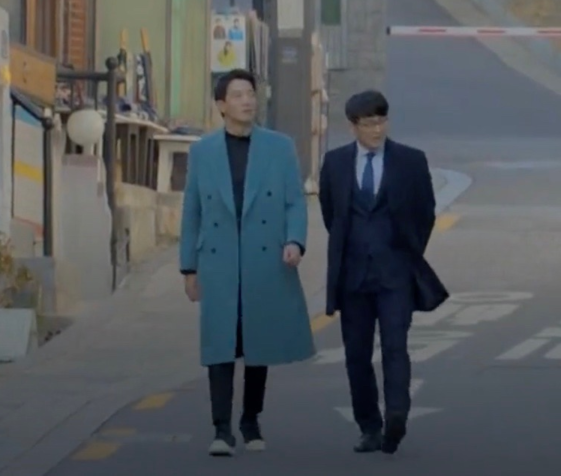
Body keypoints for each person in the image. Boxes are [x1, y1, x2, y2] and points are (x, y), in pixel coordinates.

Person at [179, 69, 316, 456]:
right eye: (238, 95)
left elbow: (295, 201)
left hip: (264, 257)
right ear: (221, 105)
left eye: (251, 94)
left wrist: (294, 241)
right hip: (218, 260)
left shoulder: (279, 147)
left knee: (259, 340)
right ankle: (221, 429)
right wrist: (188, 268)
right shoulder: (203, 151)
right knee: (219, 344)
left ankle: (251, 420)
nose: (247, 101)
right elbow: (192, 211)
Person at [318, 89, 448, 455]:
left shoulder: (410, 161)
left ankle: (396, 415)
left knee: (395, 346)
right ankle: (369, 427)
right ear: (353, 126)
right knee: (356, 355)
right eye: (368, 123)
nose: (376, 130)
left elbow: (425, 212)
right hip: (353, 275)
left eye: (381, 121)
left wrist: (406, 252)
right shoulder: (335, 163)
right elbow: (331, 214)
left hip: (395, 274)